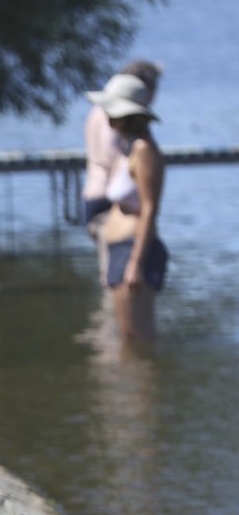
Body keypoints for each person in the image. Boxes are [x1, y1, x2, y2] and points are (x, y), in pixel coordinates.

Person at [87, 73, 167, 342]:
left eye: (113, 109)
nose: (107, 115)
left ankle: (149, 385)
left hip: (134, 250)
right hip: (119, 248)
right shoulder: (127, 146)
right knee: (127, 341)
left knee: (139, 342)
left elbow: (149, 208)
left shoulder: (144, 150)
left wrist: (135, 262)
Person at [83, 60, 162, 285]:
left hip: (93, 196)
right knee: (110, 286)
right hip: (105, 200)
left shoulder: (94, 114)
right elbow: (109, 155)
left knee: (112, 284)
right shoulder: (119, 125)